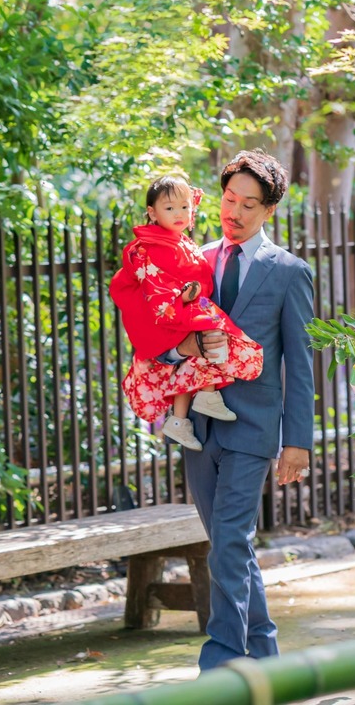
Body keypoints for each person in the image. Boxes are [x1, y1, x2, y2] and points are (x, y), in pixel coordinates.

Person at [164, 150, 315, 671]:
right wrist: (176, 350)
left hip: (252, 426)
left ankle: (221, 662)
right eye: (230, 199)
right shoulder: (192, 259)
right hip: (196, 426)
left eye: (250, 205)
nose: (236, 212)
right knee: (229, 545)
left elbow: (300, 364)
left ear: (268, 211)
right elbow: (159, 333)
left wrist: (296, 442)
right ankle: (267, 655)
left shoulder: (289, 272)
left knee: (230, 538)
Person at [109, 175, 263, 452]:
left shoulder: (180, 243)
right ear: (152, 212)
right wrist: (183, 298)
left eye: (184, 207)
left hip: (182, 306)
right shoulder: (147, 248)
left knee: (200, 345)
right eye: (169, 208)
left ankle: (185, 415)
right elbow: (157, 290)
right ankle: (205, 394)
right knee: (211, 334)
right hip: (164, 315)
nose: (179, 214)